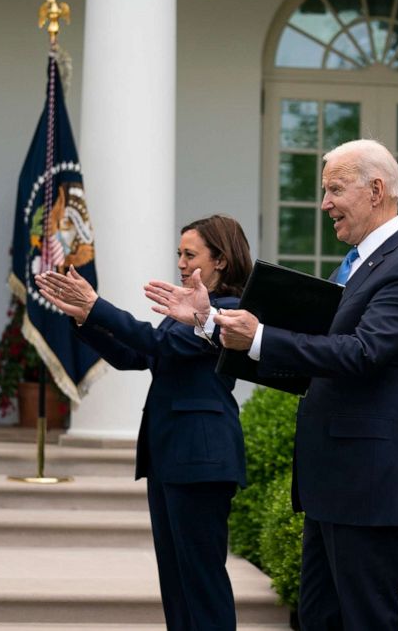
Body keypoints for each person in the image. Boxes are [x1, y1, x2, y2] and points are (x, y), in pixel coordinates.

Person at [146, 140, 398, 630]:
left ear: (375, 190)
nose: (324, 204)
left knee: (366, 619)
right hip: (331, 480)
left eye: (334, 190)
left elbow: (362, 354)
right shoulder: (355, 266)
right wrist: (209, 321)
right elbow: (306, 360)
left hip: (367, 483)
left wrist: (260, 336)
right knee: (318, 618)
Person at [34, 214, 252, 631]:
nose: (182, 263)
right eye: (179, 254)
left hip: (202, 461)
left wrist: (99, 306)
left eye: (191, 254)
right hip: (170, 457)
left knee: (202, 583)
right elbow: (140, 356)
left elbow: (158, 342)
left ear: (221, 260)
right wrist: (85, 318)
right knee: (175, 583)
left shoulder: (228, 311)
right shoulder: (187, 310)